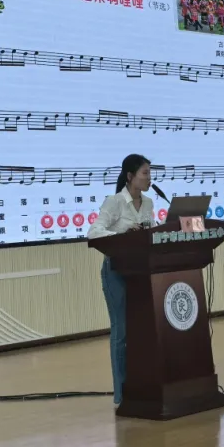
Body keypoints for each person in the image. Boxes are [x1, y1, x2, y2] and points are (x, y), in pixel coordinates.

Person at [88, 154, 154, 406]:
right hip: (116, 271)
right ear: (130, 176)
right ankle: (121, 393)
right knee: (121, 331)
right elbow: (94, 232)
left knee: (143, 329)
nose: (149, 178)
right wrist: (123, 234)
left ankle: (142, 383)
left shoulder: (148, 203)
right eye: (145, 173)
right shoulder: (114, 202)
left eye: (150, 173)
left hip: (141, 271)